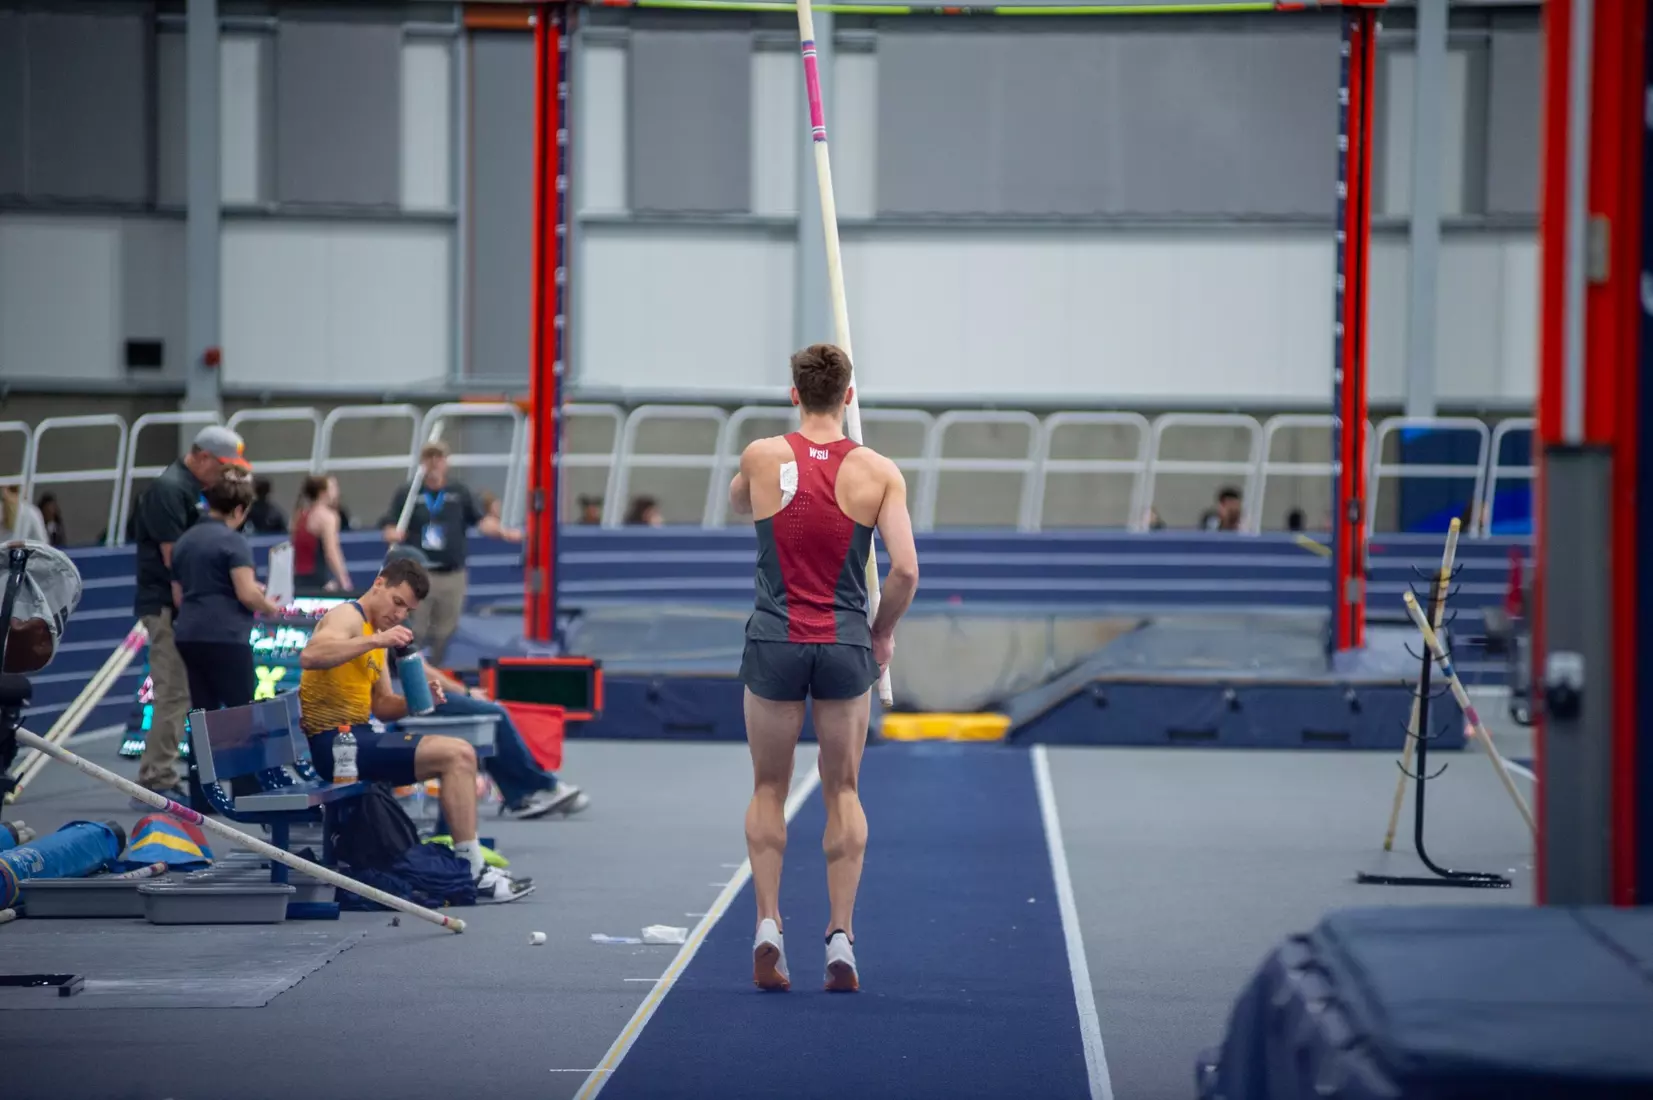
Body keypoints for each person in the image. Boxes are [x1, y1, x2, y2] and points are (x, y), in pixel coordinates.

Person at [726, 343, 920, 993]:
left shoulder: (760, 456)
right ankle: (839, 936)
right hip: (843, 645)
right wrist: (882, 633)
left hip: (774, 641)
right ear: (848, 397)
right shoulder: (878, 472)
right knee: (842, 790)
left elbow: (736, 503)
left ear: (792, 394)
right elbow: (907, 572)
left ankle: (768, 926)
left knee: (768, 790)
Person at [297, 556, 531, 901]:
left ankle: (470, 861)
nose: (399, 614)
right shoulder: (347, 617)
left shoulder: (376, 634)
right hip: (335, 745)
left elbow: (382, 706)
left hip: (359, 739)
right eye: (397, 602)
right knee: (457, 754)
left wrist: (418, 701)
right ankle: (473, 867)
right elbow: (311, 656)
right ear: (379, 584)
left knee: (458, 752)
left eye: (407, 610)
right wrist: (377, 642)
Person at [130, 425, 249, 803]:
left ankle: (163, 773)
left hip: (181, 607)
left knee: (184, 694)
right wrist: (191, 615)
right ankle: (156, 778)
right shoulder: (169, 490)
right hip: (168, 606)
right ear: (201, 456)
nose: (226, 476)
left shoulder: (189, 490)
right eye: (222, 466)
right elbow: (174, 560)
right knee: (173, 692)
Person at [379, 441, 522, 666]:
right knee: (415, 627)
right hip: (419, 574)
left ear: (446, 462)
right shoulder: (408, 493)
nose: (434, 463)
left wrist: (503, 532)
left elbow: (481, 521)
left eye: (439, 457)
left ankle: (435, 671)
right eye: (429, 457)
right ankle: (408, 671)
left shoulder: (459, 492)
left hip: (451, 573)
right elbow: (389, 525)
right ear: (422, 462)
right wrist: (391, 533)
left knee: (446, 630)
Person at [170, 468, 283, 712]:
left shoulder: (184, 541)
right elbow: (246, 593)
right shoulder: (234, 541)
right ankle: (241, 752)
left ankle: (200, 752)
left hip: (189, 636)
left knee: (202, 713)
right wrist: (269, 606)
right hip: (225, 637)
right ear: (239, 510)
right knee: (241, 710)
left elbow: (179, 596)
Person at [293, 475, 353, 592]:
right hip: (317, 578)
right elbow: (332, 552)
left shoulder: (300, 514)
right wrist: (344, 581)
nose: (337, 491)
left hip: (297, 578)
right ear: (323, 492)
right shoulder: (327, 517)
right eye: (333, 487)